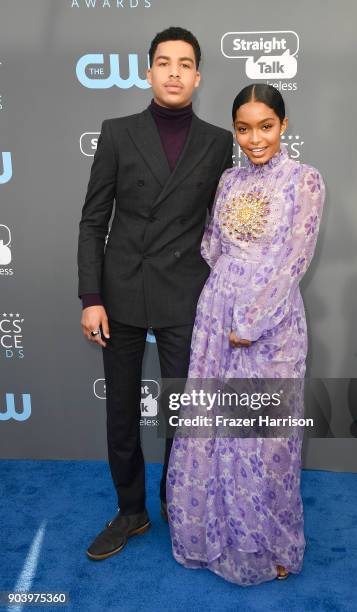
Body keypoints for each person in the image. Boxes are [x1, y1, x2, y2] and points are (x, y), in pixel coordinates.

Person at [77, 26, 233, 561]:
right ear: (148, 72)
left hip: (183, 292)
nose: (173, 72)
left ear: (197, 76)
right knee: (121, 409)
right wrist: (90, 296)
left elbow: (228, 225)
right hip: (119, 291)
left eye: (184, 63)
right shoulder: (117, 131)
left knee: (181, 411)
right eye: (163, 62)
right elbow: (93, 220)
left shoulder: (218, 142)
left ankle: (177, 500)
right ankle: (131, 511)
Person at [166, 84, 326, 585]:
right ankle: (216, 536)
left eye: (265, 126)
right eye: (243, 128)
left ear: (283, 124)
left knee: (267, 439)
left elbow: (295, 260)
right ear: (234, 130)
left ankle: (272, 544)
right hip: (217, 314)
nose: (254, 138)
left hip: (271, 324)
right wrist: (226, 293)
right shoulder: (229, 180)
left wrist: (250, 316)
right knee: (216, 431)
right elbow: (212, 243)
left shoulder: (305, 181)